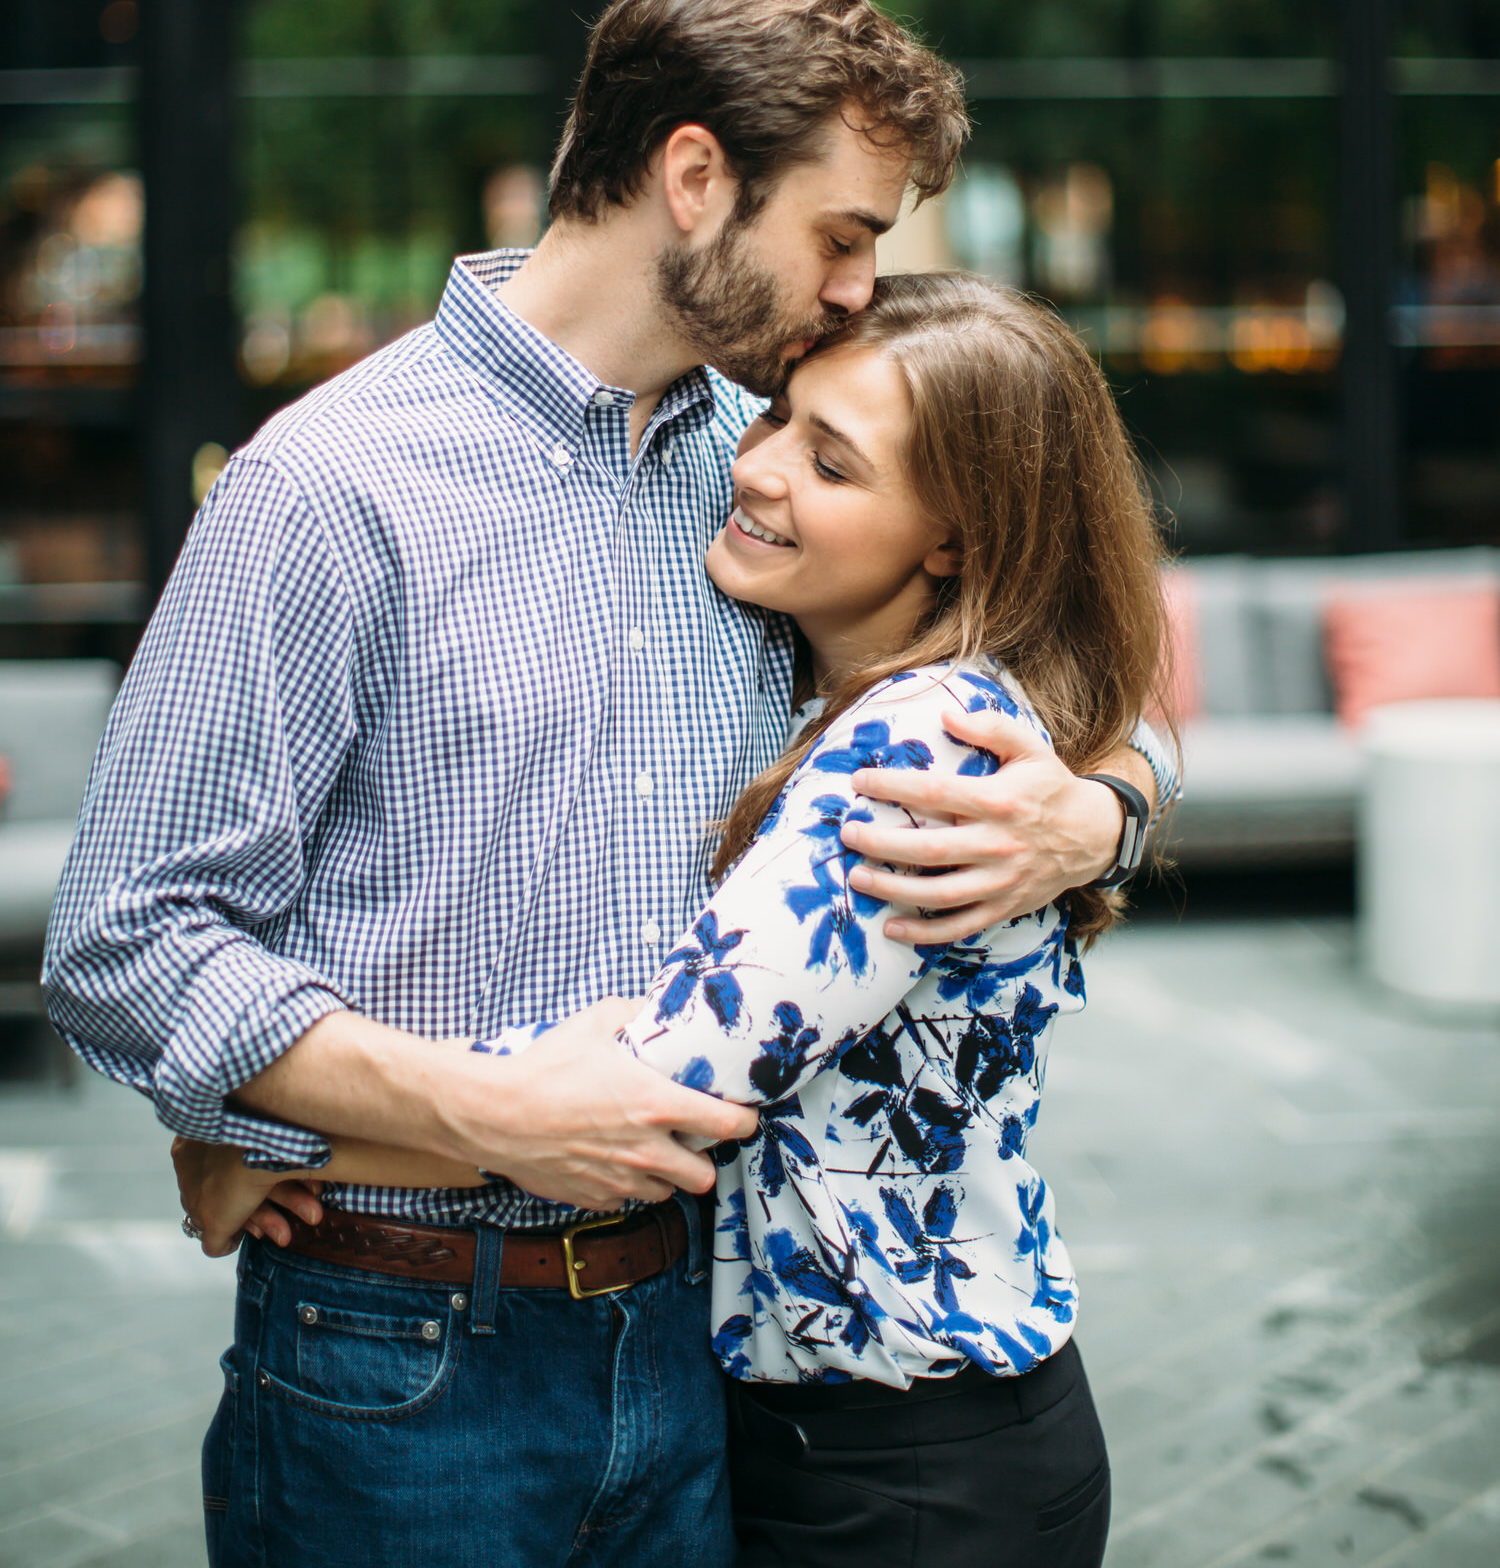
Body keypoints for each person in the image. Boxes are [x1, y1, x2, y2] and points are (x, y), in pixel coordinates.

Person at [46, 0, 1172, 1568]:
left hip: (701, 1363)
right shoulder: (331, 486)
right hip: (402, 1365)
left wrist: (1101, 816)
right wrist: (450, 1112)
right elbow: (124, 937)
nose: (860, 286)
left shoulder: (775, 479)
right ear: (698, 177)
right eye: (843, 233)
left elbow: (1049, 652)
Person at [181, 273, 1169, 1566]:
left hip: (908, 1469)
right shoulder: (867, 680)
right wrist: (1114, 806)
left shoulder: (920, 751)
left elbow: (661, 1089)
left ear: (951, 538)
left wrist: (291, 1137)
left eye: (832, 460)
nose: (753, 468)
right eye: (776, 420)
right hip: (869, 1431)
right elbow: (1127, 728)